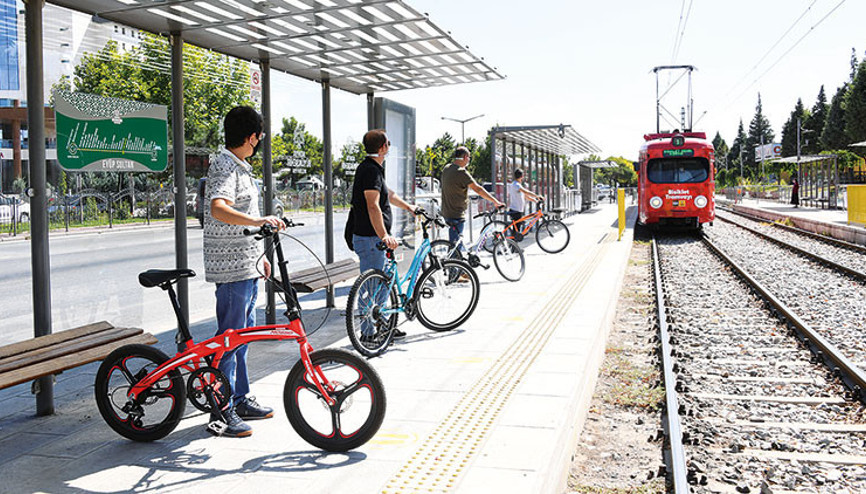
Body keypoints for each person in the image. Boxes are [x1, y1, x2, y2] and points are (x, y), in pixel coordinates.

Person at [203, 105, 283, 438]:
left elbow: (243, 213)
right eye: (259, 137)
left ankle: (240, 396)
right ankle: (220, 412)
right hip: (230, 268)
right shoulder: (224, 165)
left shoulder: (240, 166)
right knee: (230, 339)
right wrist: (258, 221)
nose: (258, 143)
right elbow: (219, 208)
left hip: (244, 264)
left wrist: (258, 256)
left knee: (242, 337)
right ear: (252, 137)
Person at [351, 129, 418, 339]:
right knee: (370, 287)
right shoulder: (370, 170)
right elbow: (373, 205)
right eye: (388, 143)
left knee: (382, 282)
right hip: (371, 239)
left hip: (373, 238)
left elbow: (388, 195)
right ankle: (368, 334)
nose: (389, 146)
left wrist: (410, 207)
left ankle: (382, 323)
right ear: (382, 147)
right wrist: (384, 236)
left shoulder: (374, 169)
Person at [440, 146, 504, 250]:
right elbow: (478, 189)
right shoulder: (461, 172)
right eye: (469, 157)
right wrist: (495, 201)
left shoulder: (447, 168)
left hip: (447, 211)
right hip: (457, 213)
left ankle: (456, 262)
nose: (469, 160)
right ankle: (452, 265)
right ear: (465, 157)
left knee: (455, 241)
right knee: (455, 245)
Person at [507, 169, 543, 241]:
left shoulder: (515, 184)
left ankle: (514, 247)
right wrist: (537, 196)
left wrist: (535, 201)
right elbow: (526, 192)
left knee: (517, 230)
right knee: (516, 231)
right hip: (516, 210)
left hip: (517, 210)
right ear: (522, 177)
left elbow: (525, 196)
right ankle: (513, 247)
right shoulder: (516, 185)